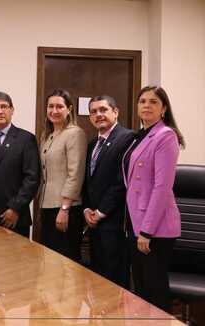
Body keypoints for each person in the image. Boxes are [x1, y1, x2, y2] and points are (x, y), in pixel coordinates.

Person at [123, 86, 184, 312]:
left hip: (154, 228)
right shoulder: (142, 135)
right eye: (143, 101)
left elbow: (162, 187)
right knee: (141, 289)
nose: (147, 105)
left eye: (154, 102)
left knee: (154, 290)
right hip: (136, 221)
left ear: (164, 109)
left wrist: (146, 231)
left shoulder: (166, 136)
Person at [82, 95, 134, 288]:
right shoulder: (91, 145)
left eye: (103, 110)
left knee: (115, 281)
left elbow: (122, 182)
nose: (98, 115)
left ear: (116, 112)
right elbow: (88, 182)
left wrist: (101, 212)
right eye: (94, 111)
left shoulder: (127, 138)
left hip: (115, 222)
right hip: (94, 224)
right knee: (98, 280)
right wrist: (87, 208)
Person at [0, 91, 40, 237]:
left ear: (12, 110)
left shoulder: (26, 139)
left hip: (14, 217)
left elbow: (32, 178)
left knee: (16, 259)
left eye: (4, 106)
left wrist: (15, 208)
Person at [38, 89, 87, 262]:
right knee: (49, 261)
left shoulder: (75, 134)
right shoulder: (48, 135)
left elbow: (75, 173)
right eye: (50, 106)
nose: (54, 111)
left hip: (65, 208)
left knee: (65, 262)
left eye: (59, 106)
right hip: (47, 206)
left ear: (69, 109)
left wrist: (64, 209)